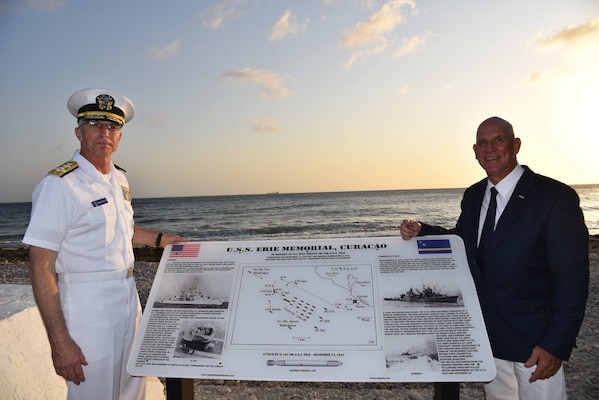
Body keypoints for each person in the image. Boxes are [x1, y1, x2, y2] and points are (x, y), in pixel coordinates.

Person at [400, 116, 589, 400]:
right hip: (489, 337)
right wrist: (422, 231)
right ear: (475, 151)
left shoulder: (554, 197)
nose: (490, 148)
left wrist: (556, 344)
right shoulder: (474, 195)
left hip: (535, 343)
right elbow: (465, 240)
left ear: (515, 145)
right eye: (483, 143)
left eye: (498, 140)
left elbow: (573, 279)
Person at [23, 88, 187, 400]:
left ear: (120, 136)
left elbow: (120, 228)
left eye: (112, 127)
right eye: (95, 125)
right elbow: (40, 264)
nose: (104, 133)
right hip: (88, 307)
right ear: (78, 132)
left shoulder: (119, 179)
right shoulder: (60, 185)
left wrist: (162, 239)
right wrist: (60, 341)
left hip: (127, 299)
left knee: (131, 390)